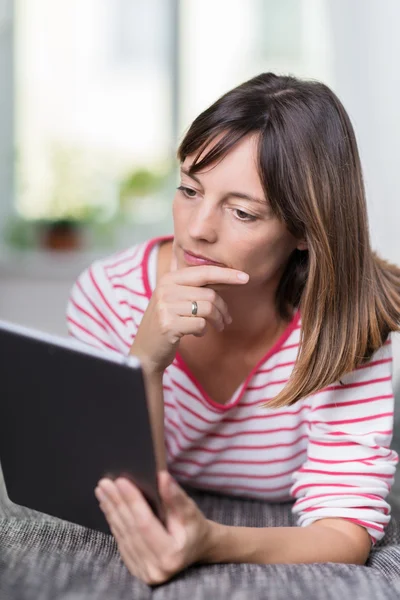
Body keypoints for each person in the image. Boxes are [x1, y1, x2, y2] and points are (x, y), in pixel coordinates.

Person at [67, 72, 400, 585]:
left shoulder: (346, 325)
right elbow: (112, 491)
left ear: (306, 231)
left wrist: (212, 540)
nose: (197, 228)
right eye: (188, 189)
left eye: (243, 212)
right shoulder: (108, 296)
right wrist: (145, 363)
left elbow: (345, 530)